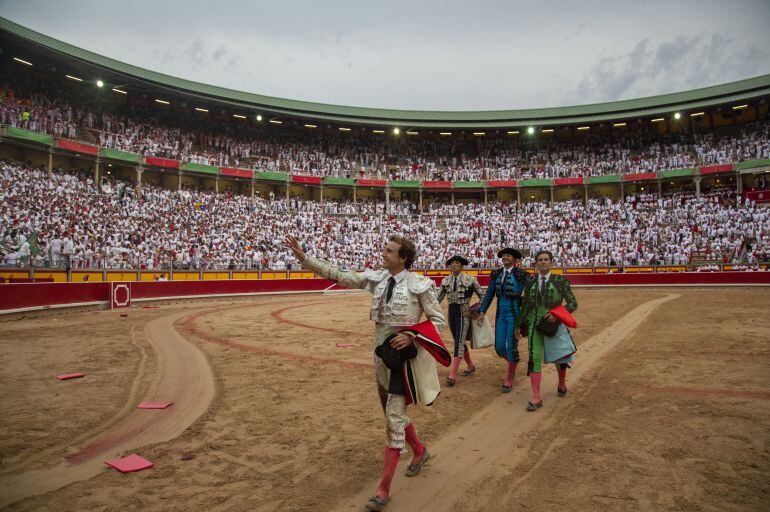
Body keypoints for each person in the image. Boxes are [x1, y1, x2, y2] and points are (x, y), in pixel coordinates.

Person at [284, 234, 448, 511]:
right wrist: (304, 258)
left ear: (403, 257)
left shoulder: (420, 285)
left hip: (404, 362)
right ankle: (419, 451)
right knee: (391, 414)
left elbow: (438, 321)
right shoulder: (378, 279)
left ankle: (383, 489)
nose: (383, 253)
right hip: (381, 359)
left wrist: (411, 336)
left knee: (393, 419)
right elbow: (342, 275)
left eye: (389, 250)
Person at [519, 250, 578, 411]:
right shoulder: (530, 282)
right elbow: (525, 307)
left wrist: (558, 317)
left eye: (546, 260)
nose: (543, 262)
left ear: (551, 262)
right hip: (533, 324)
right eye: (540, 260)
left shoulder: (560, 280)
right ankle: (536, 397)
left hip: (554, 324)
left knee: (560, 357)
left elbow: (573, 304)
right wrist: (518, 325)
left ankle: (561, 383)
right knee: (534, 357)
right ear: (536, 263)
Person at [478, 248, 531, 392]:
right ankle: (513, 362)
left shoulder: (521, 274)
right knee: (500, 347)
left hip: (515, 314)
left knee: (511, 345)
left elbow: (531, 293)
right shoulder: (497, 274)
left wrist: (525, 313)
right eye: (504, 255)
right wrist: (482, 311)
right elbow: (489, 294)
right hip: (500, 313)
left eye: (509, 255)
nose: (506, 257)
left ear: (515, 260)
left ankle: (509, 377)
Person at [436, 255, 484, 386]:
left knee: (459, 342)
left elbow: (483, 296)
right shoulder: (446, 280)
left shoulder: (470, 279)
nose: (454, 265)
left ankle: (452, 374)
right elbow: (437, 299)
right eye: (452, 263)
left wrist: (476, 311)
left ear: (462, 266)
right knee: (459, 340)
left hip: (464, 313)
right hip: (451, 313)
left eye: (457, 263)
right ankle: (470, 366)